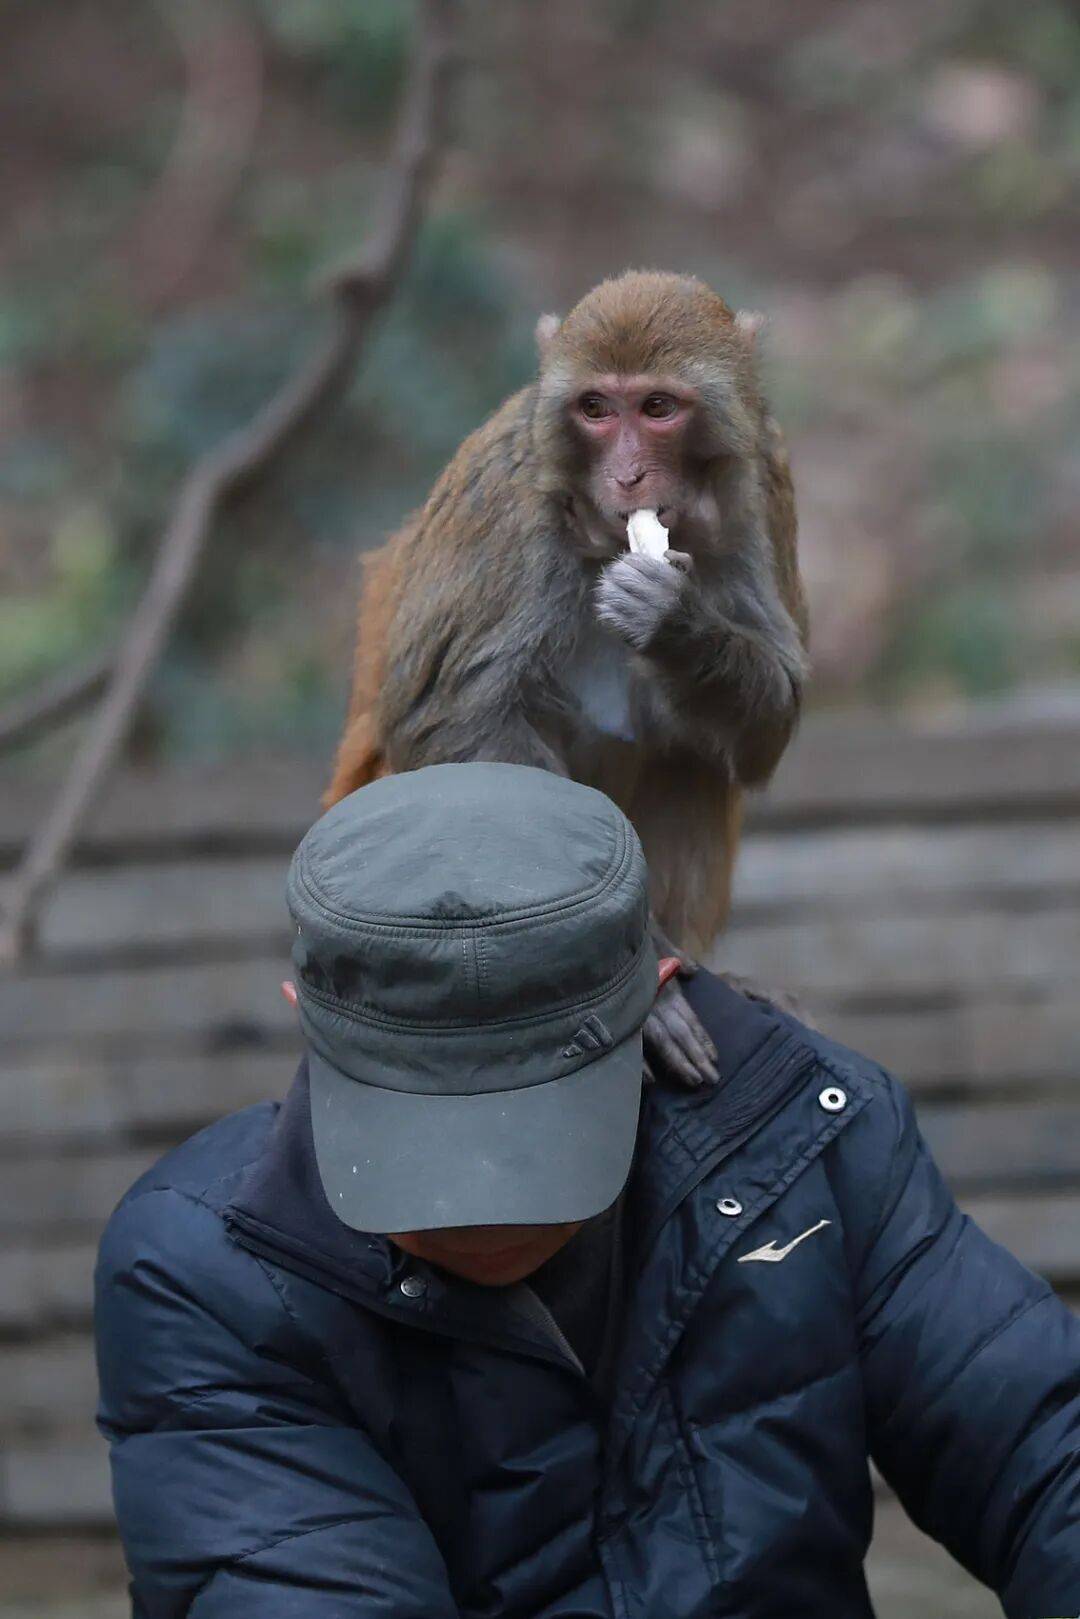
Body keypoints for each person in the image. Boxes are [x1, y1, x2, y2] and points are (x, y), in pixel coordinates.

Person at [94, 762, 1080, 1619]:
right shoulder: (206, 1276)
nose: (481, 1201)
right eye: (427, 1132)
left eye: (529, 1123)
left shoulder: (805, 1133)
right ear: (303, 1017)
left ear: (658, 988)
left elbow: (1043, 1448)